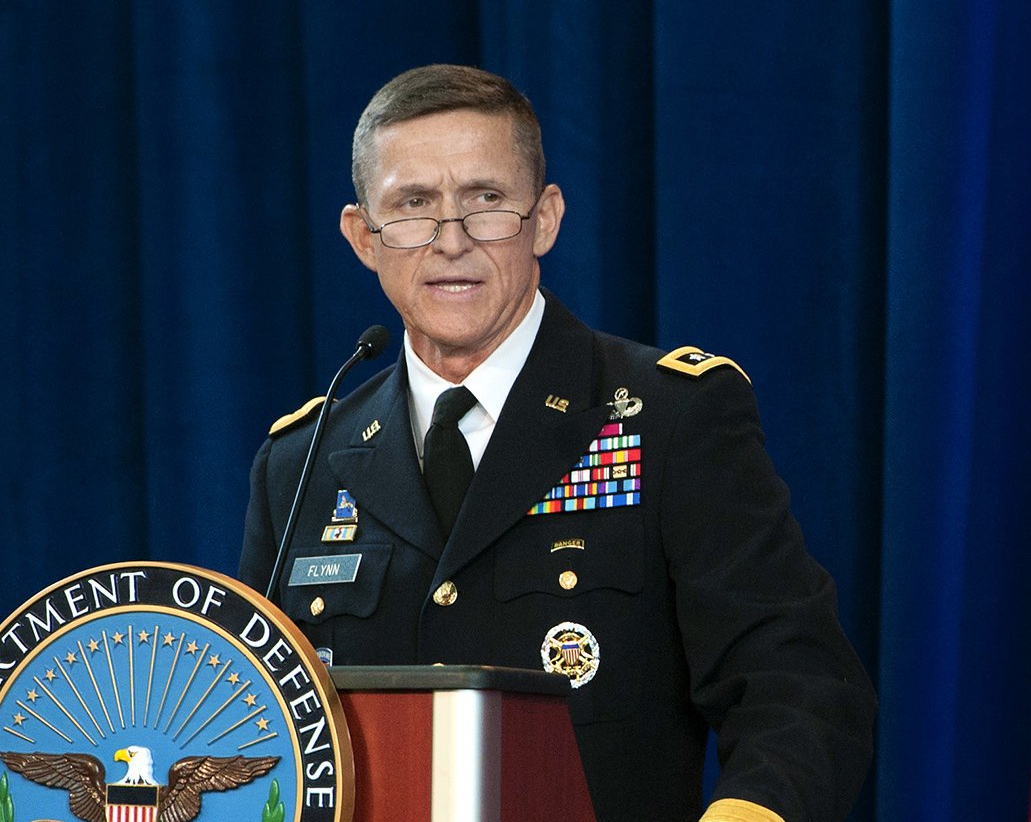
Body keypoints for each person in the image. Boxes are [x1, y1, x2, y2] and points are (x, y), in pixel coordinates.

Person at [239, 64, 875, 822]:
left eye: (485, 202)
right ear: (362, 236)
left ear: (543, 218)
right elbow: (260, 725)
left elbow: (796, 686)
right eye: (413, 206)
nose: (450, 241)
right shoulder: (300, 462)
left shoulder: (669, 418)